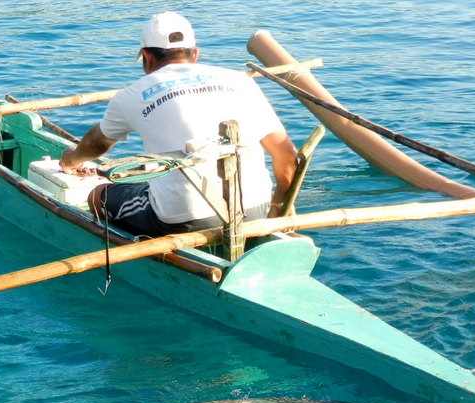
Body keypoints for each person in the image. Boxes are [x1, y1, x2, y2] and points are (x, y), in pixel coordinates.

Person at [59, 11, 298, 236]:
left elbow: (96, 145)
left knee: (97, 195)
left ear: (147, 57)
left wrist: (71, 160)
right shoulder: (242, 82)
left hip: (184, 219)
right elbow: (287, 157)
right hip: (257, 209)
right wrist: (277, 210)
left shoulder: (131, 95)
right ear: (195, 54)